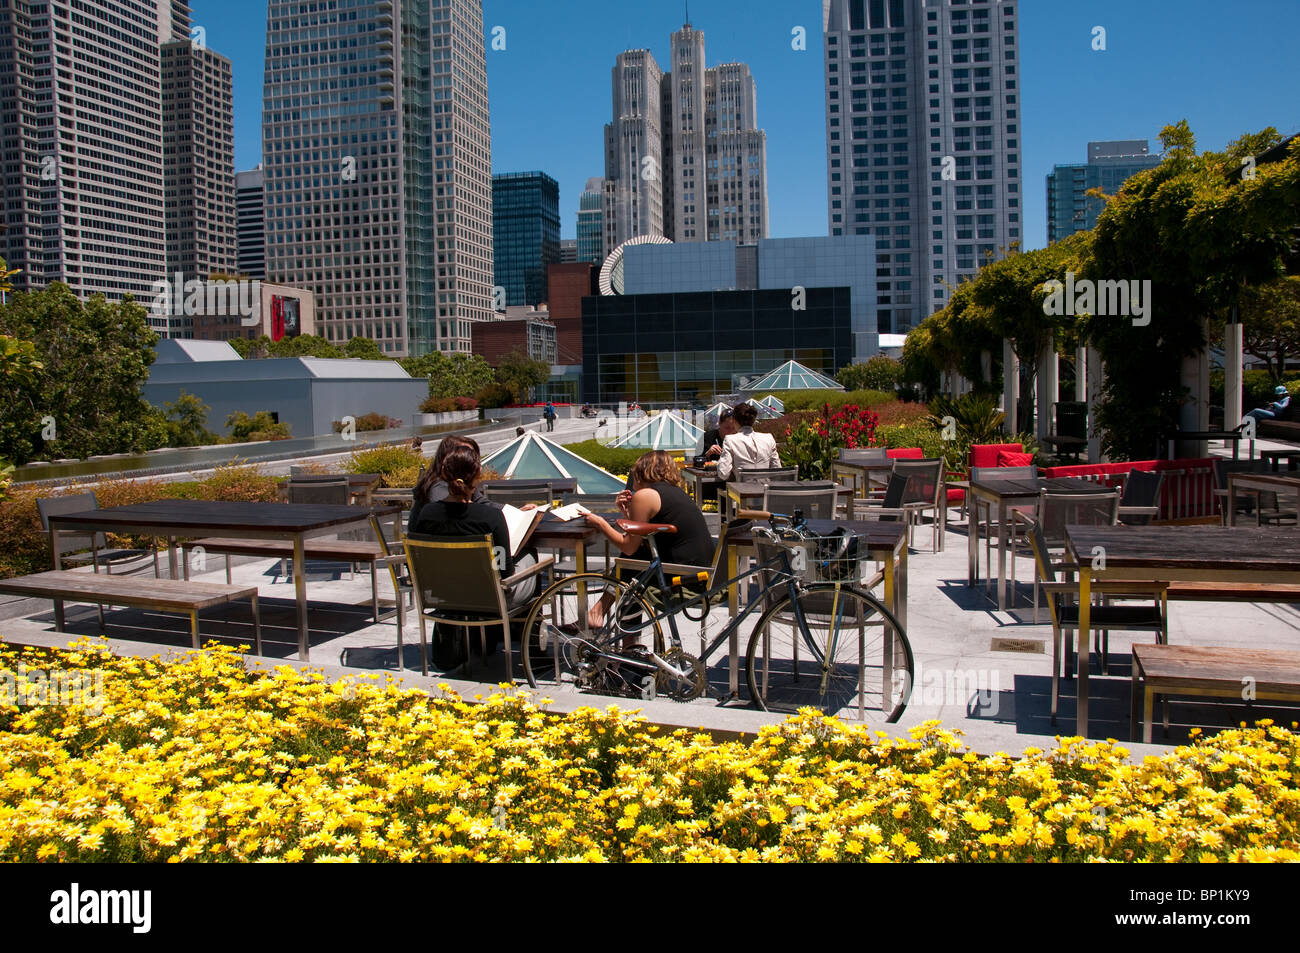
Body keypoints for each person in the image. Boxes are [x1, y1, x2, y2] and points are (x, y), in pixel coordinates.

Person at [583, 451, 714, 627]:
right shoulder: (675, 493)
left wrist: (600, 523)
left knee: (631, 563)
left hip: (683, 579)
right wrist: (626, 513)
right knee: (635, 562)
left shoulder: (646, 495)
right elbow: (643, 534)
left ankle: (604, 618)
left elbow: (629, 546)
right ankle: (612, 625)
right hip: (702, 572)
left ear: (641, 471)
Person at [407, 440, 539, 613]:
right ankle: (529, 631)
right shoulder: (491, 517)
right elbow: (504, 572)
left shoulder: (427, 513)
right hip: (489, 599)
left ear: (444, 472)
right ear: (478, 475)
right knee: (529, 555)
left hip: (443, 596)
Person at [409, 436, 492, 532]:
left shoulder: (465, 485)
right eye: (464, 454)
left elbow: (484, 503)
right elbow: (453, 520)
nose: (471, 461)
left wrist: (507, 511)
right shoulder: (437, 490)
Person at [716, 402, 781, 481]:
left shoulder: (730, 440)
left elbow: (723, 473)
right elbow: (777, 471)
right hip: (767, 490)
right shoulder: (768, 438)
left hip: (743, 491)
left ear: (734, 420)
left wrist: (720, 462)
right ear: (753, 421)